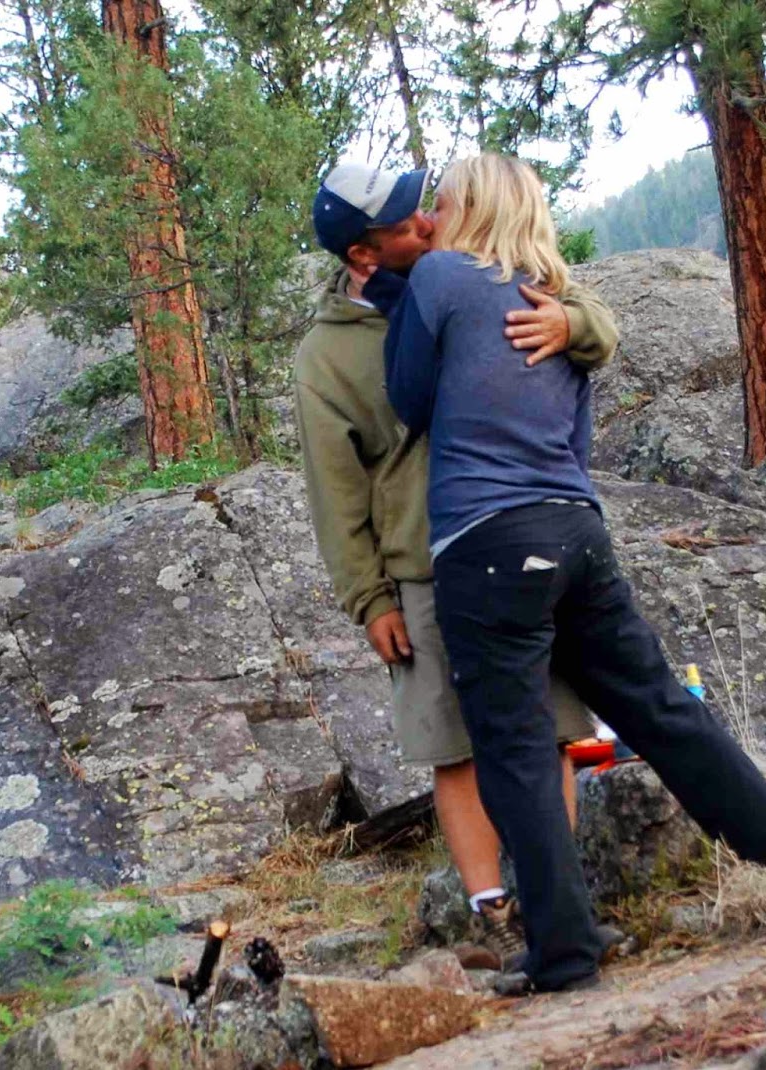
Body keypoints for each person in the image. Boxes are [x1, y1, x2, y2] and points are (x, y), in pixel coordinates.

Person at [363, 154, 766, 995]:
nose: (432, 218)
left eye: (445, 202)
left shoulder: (440, 279)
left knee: (515, 749)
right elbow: (575, 444)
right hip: (577, 529)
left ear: (474, 209)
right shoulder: (554, 307)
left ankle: (564, 952)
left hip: (486, 543)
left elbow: (409, 400)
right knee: (660, 708)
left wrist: (395, 299)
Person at [294, 161, 620, 968]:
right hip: (424, 574)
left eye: (426, 208)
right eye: (408, 223)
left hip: (514, 547)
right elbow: (336, 491)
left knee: (549, 731)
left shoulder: (479, 278)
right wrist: (371, 598)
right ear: (364, 253)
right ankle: (492, 914)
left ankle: (558, 907)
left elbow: (591, 322)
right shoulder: (327, 357)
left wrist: (573, 325)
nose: (430, 223)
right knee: (458, 747)